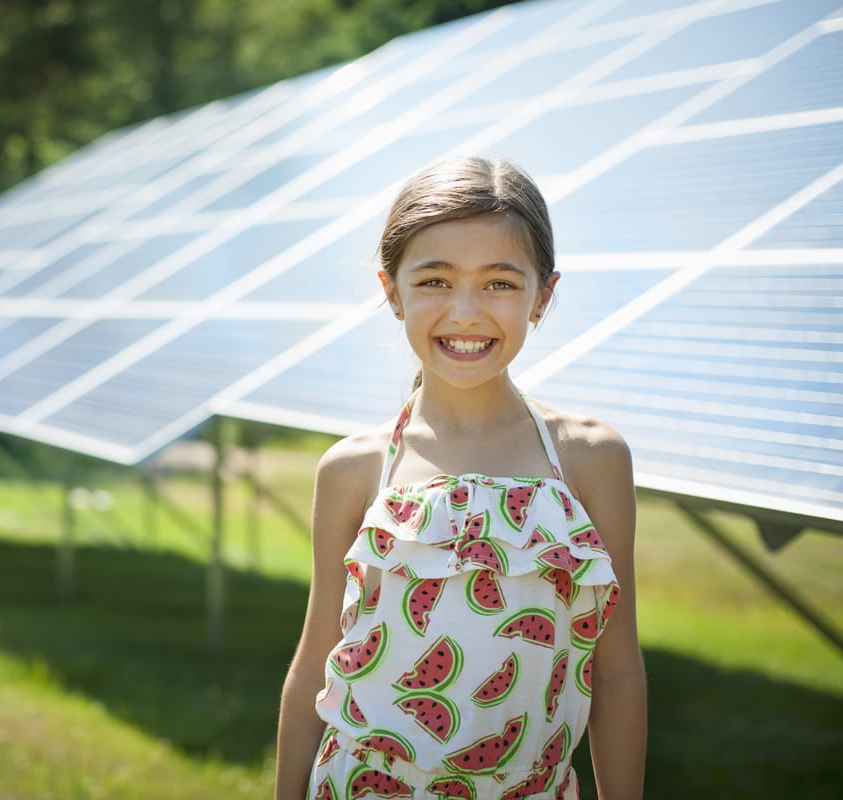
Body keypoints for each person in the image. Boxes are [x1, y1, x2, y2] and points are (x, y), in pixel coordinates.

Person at [273, 156, 647, 800]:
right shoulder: (353, 469)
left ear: (543, 296)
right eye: (436, 281)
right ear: (392, 292)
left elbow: (617, 675)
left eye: (500, 283)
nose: (467, 312)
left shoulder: (591, 459)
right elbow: (315, 667)